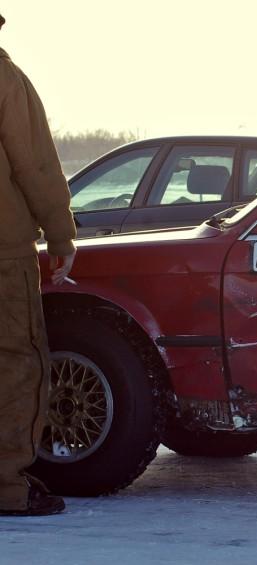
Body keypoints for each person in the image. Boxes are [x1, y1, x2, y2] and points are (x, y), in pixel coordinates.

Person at [0, 13, 76, 516]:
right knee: (15, 363)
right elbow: (35, 163)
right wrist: (60, 231)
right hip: (2, 252)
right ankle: (6, 486)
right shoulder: (4, 77)